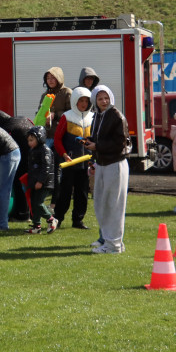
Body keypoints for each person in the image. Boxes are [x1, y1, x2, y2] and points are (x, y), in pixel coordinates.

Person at [85, 85, 129, 254]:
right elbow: (100, 138)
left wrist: (98, 145)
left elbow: (120, 143)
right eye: (100, 98)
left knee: (113, 205)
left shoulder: (116, 116)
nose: (104, 101)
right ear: (95, 100)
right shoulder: (98, 115)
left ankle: (113, 245)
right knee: (102, 204)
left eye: (106, 98)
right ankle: (109, 240)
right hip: (103, 163)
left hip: (115, 163)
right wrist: (90, 142)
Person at [52, 86, 94, 228]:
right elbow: (57, 139)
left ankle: (78, 220)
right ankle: (57, 219)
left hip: (85, 163)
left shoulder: (92, 117)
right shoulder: (67, 116)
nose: (84, 104)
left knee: (82, 193)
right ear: (75, 101)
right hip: (69, 162)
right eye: (81, 100)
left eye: (86, 101)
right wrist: (63, 154)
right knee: (65, 192)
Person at [0, 109, 34, 223]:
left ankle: (22, 215)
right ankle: (33, 214)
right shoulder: (22, 118)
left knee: (19, 184)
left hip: (24, 157)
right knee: (31, 187)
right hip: (36, 155)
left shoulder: (7, 128)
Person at [24, 125, 58, 234]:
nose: (29, 143)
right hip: (35, 181)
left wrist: (40, 181)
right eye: (28, 140)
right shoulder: (33, 150)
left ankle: (51, 219)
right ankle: (36, 226)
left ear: (40, 138)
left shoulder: (45, 150)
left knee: (38, 203)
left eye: (32, 140)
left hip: (44, 183)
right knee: (34, 204)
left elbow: (46, 167)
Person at [37, 66, 72, 133]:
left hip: (62, 133)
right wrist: (43, 118)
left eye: (53, 77)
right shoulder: (45, 95)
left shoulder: (67, 92)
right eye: (48, 78)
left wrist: (55, 115)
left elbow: (72, 113)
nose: (50, 80)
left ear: (59, 78)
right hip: (47, 134)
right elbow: (39, 112)